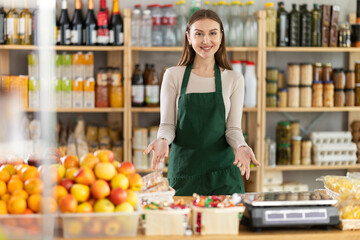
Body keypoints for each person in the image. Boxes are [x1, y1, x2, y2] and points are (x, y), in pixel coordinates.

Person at [144, 9, 260, 196]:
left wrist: (241, 146)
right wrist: (163, 140)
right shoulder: (173, 75)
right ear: (189, 37)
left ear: (221, 37)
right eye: (199, 34)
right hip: (184, 174)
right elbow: (167, 125)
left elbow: (232, 129)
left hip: (223, 175)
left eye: (212, 33)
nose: (206, 40)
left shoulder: (233, 79)